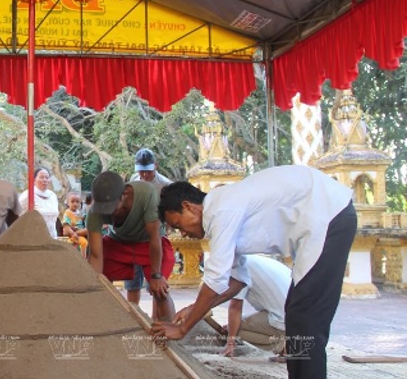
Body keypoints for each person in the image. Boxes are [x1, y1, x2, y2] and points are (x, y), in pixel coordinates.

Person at [152, 165, 356, 379]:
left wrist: (183, 327)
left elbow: (215, 281)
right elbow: (235, 280)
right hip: (315, 226)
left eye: (178, 225)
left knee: (306, 315)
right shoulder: (223, 213)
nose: (182, 234)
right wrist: (194, 309)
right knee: (296, 312)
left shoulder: (222, 210)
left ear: (189, 207)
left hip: (329, 216)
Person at [86, 171, 175, 321]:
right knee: (99, 284)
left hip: (149, 243)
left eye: (113, 207)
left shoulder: (146, 193)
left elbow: (155, 238)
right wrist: (95, 287)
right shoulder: (94, 212)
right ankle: (103, 320)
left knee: (159, 290)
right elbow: (95, 254)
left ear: (125, 193)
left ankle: (169, 329)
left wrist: (156, 276)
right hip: (119, 243)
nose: (110, 213)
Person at [178, 254, 289, 358]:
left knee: (235, 330)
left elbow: (235, 308)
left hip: (284, 320)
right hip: (298, 315)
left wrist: (230, 342)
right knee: (232, 326)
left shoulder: (238, 269)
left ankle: (284, 345)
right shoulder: (251, 259)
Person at [125, 148, 173, 304]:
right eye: (141, 172)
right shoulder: (133, 179)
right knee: (132, 283)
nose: (144, 175)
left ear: (155, 166)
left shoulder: (165, 186)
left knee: (156, 284)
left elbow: (170, 212)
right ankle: (135, 318)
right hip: (134, 237)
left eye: (148, 171)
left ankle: (157, 321)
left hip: (154, 238)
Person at [18, 167, 61, 238]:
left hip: (52, 237)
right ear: (34, 180)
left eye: (47, 177)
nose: (44, 179)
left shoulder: (53, 196)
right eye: (41, 177)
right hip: (33, 238)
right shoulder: (27, 195)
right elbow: (18, 216)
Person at [61, 191, 88, 258]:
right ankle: (83, 260)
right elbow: (65, 225)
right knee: (84, 242)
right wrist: (72, 233)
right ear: (67, 203)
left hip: (78, 232)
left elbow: (81, 220)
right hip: (72, 234)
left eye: (77, 202)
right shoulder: (68, 213)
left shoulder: (79, 213)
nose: (75, 204)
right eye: (72, 202)